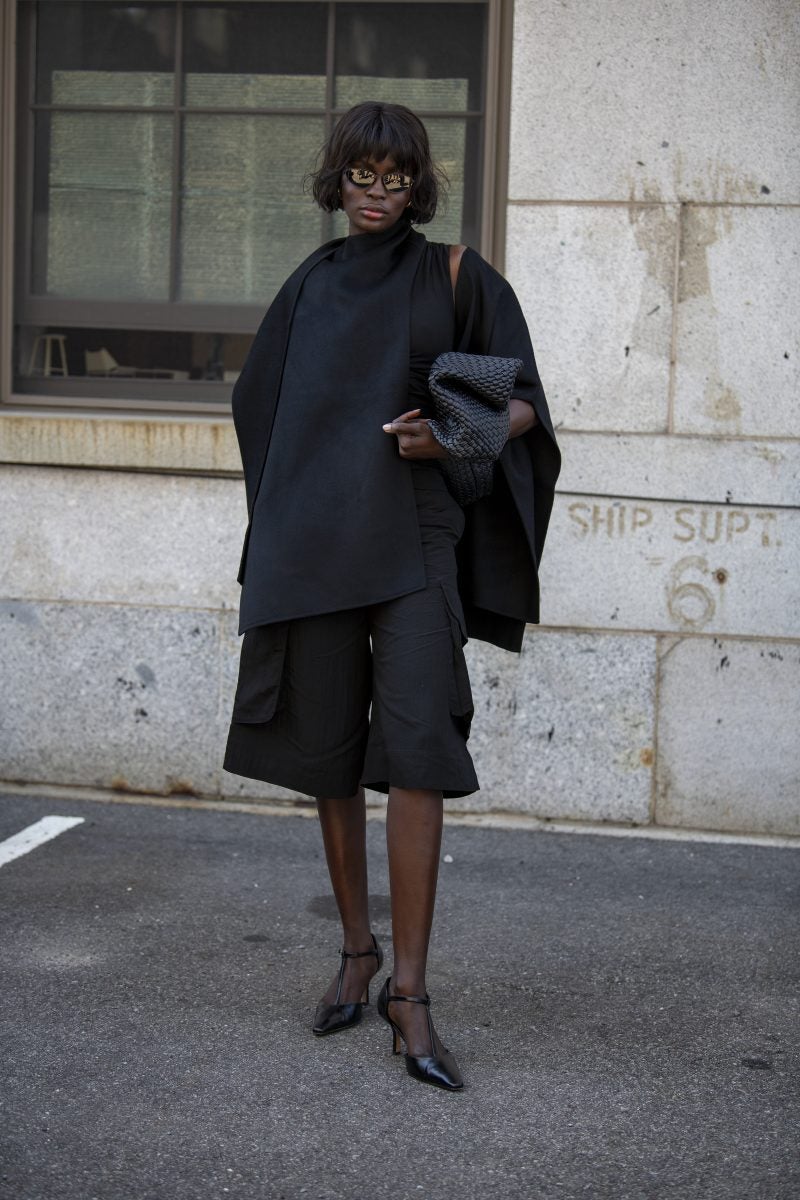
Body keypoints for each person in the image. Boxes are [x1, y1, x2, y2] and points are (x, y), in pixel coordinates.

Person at [224, 102, 560, 1091]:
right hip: (315, 547)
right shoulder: (308, 285)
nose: (375, 193)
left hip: (413, 548)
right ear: (336, 182)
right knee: (327, 754)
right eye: (359, 177)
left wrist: (447, 437)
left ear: (419, 186)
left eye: (394, 178)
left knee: (416, 753)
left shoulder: (455, 274)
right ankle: (356, 953)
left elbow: (524, 403)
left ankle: (409, 996)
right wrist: (279, 531)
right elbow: (264, 413)